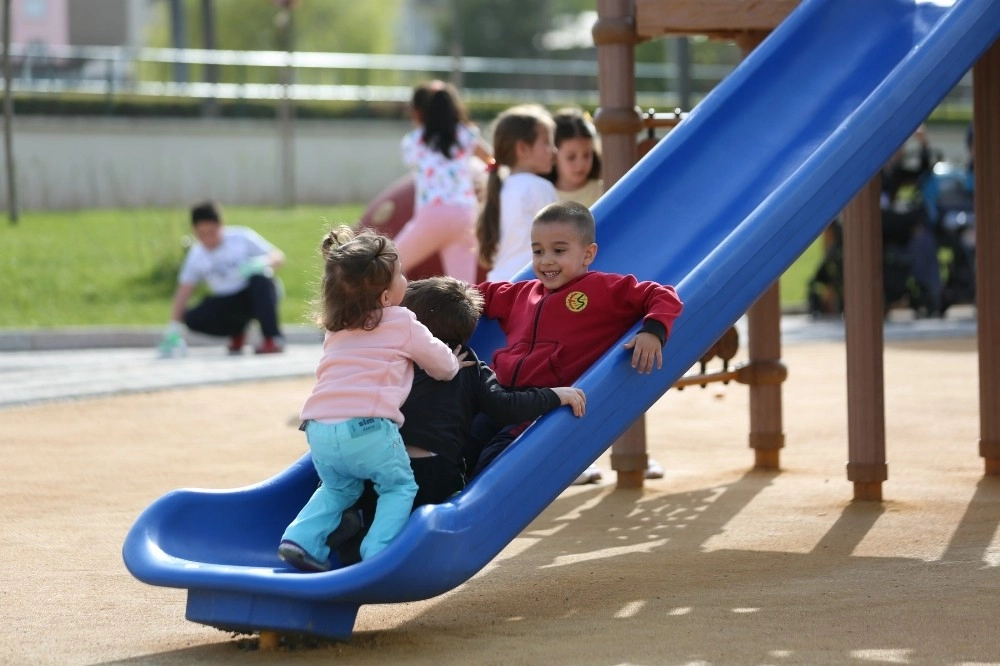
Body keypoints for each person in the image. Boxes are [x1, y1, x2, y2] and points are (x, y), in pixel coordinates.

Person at [328, 276, 587, 565]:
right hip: (434, 473)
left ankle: (350, 522)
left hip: (377, 463)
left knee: (367, 483)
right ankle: (388, 542)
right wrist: (553, 395)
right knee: (451, 486)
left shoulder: (392, 359)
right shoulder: (472, 367)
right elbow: (505, 407)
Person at [277, 227, 468, 572]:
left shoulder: (336, 328)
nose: (405, 278)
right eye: (399, 275)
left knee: (338, 489)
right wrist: (455, 362)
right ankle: (378, 553)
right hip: (367, 428)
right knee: (398, 486)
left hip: (318, 429)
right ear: (384, 298)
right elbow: (441, 366)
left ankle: (300, 539)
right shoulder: (401, 321)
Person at [465, 201, 683, 480]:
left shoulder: (601, 290)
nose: (546, 260)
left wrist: (653, 331)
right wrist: (434, 299)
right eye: (538, 251)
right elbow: (476, 294)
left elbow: (660, 294)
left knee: (495, 460)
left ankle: (473, 511)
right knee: (461, 445)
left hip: (539, 404)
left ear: (587, 254)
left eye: (559, 250)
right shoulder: (523, 293)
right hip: (497, 396)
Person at [394, 81, 493, 283]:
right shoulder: (465, 134)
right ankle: (468, 315)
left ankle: (379, 310)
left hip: (432, 215)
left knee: (388, 265)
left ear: (418, 112)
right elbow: (491, 161)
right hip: (466, 216)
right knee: (463, 288)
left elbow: (415, 163)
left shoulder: (415, 141)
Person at [161, 201, 286, 356]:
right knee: (193, 317)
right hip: (227, 302)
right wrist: (174, 325)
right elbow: (184, 291)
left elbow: (278, 256)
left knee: (260, 281)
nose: (208, 238)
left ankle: (272, 339)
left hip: (254, 296)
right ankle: (237, 332)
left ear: (221, 226)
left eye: (211, 232)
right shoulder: (196, 255)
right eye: (202, 234)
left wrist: (262, 263)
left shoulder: (241, 237)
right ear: (194, 231)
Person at [476, 104, 559, 282]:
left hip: (498, 284)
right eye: (546, 143)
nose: (554, 150)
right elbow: (559, 237)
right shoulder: (539, 187)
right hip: (528, 285)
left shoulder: (499, 187)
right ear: (523, 148)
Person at [547, 107, 604, 207]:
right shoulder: (544, 194)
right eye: (571, 157)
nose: (580, 164)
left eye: (586, 155)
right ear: (553, 154)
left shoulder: (603, 191)